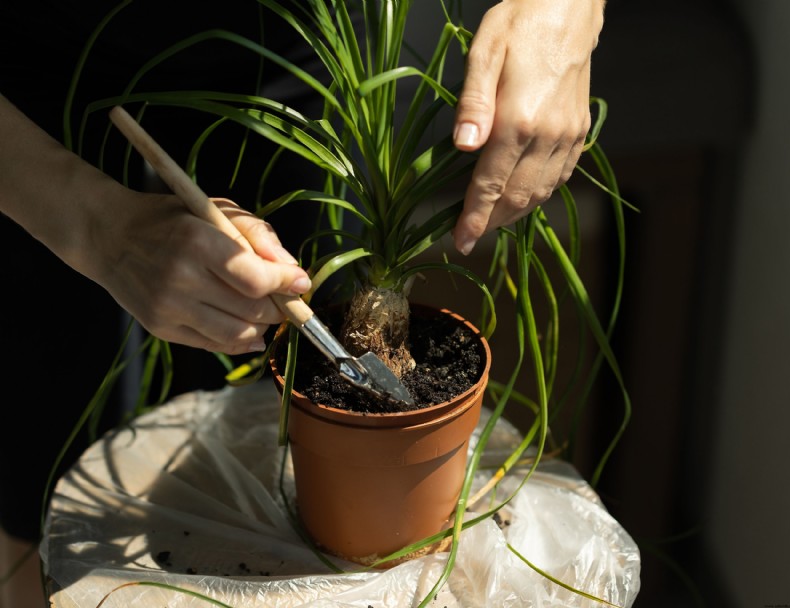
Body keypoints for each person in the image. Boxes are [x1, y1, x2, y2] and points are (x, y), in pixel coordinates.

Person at [0, 0, 605, 605]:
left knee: (260, 338)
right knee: (39, 451)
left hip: (291, 35)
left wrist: (566, 12)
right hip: (33, 67)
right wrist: (92, 227)